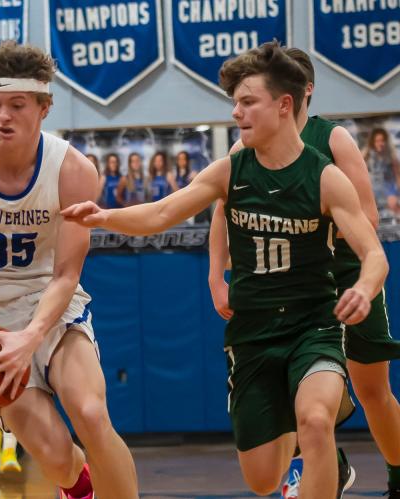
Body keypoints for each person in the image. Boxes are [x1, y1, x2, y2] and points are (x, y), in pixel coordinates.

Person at [62, 41, 388, 498]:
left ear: (284, 105)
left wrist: (366, 289)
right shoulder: (229, 170)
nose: (236, 112)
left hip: (313, 325)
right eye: (234, 103)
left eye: (247, 102)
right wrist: (103, 217)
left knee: (315, 423)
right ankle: (292, 426)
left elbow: (375, 255)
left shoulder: (324, 176)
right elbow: (160, 214)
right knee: (261, 480)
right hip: (252, 333)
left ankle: (321, 420)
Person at [0, 41, 138, 499]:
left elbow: (66, 274)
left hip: (51, 309)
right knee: (58, 457)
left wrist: (31, 336)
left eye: (16, 105)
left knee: (91, 414)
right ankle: (78, 489)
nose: (3, 116)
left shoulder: (73, 170)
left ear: (44, 107)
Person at [208, 46, 400, 499]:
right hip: (286, 292)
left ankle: (396, 476)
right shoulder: (244, 148)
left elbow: (368, 218)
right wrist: (218, 277)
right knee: (297, 392)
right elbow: (220, 211)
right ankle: (321, 466)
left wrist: (310, 228)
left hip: (346, 277)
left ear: (296, 93)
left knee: (374, 392)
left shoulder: (331, 140)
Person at [363, 128, 400, 220]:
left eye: (382, 140)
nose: (380, 143)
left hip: (389, 187)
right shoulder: (366, 154)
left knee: (393, 203)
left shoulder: (391, 155)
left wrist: (396, 192)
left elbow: (397, 174)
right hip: (373, 187)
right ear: (373, 142)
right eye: (377, 141)